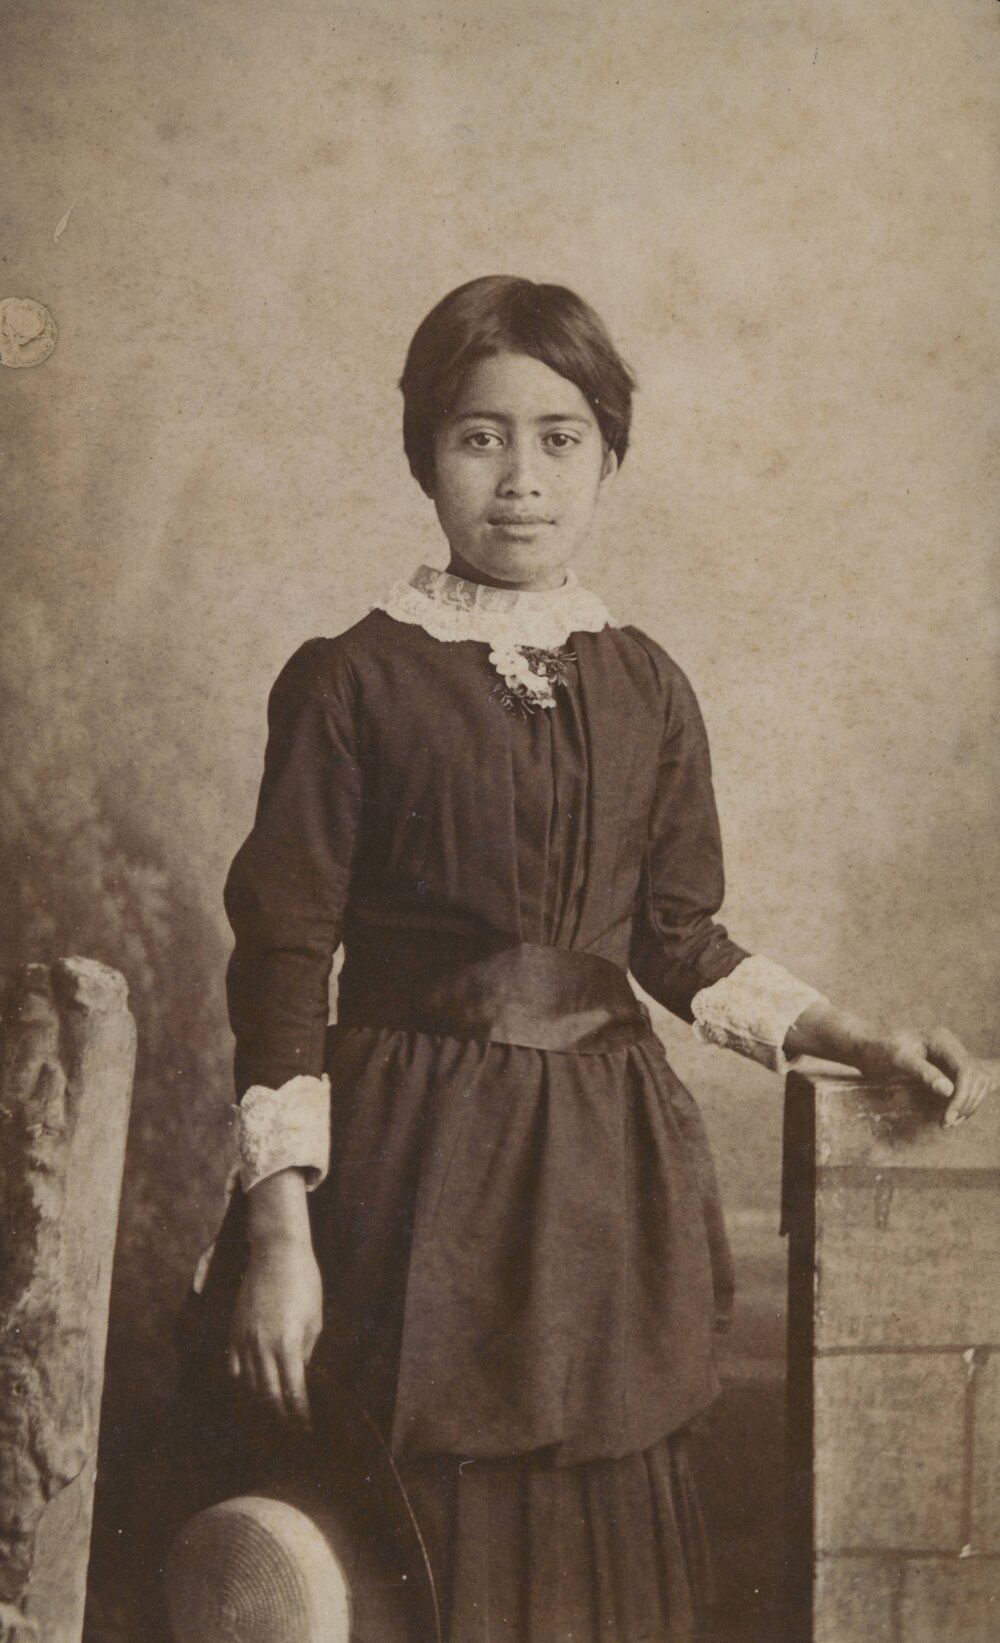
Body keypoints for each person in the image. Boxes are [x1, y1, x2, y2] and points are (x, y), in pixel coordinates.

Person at [213, 276, 996, 1643]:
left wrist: (859, 1036)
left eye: (560, 436)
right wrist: (281, 1230)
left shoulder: (647, 684)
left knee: (601, 1545)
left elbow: (682, 941)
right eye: (480, 435)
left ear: (609, 456)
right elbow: (285, 957)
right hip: (412, 1183)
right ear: (424, 453)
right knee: (411, 1548)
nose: (522, 479)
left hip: (601, 1179)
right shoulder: (351, 681)